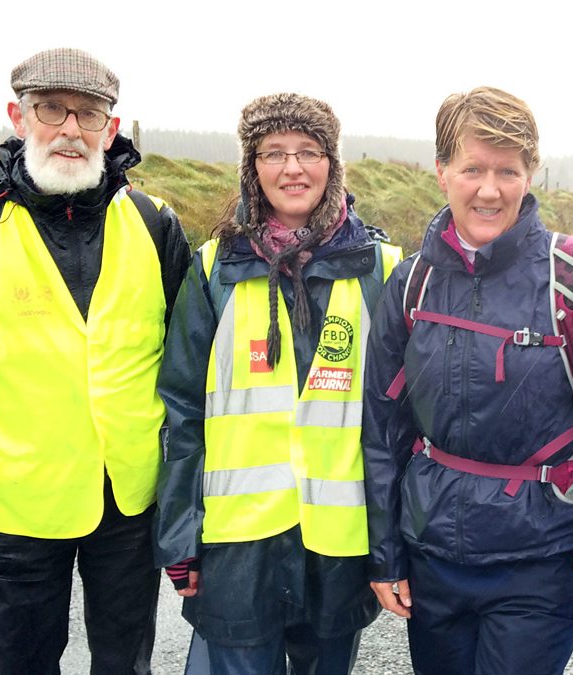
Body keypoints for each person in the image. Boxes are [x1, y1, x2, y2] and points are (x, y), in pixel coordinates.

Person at [0, 47, 190, 673]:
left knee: (125, 662)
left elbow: (191, 371)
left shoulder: (154, 222)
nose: (69, 129)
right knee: (18, 661)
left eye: (89, 115)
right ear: (18, 116)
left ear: (112, 131)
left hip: (129, 501)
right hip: (16, 505)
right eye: (50, 109)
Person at [362, 86, 573, 675]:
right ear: (442, 171)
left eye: (508, 170)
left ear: (531, 175)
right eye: (473, 168)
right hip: (433, 560)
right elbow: (383, 429)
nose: (490, 189)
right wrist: (384, 553)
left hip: (540, 563)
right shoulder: (410, 284)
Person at [154, 92, 401, 674]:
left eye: (308, 151)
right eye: (273, 152)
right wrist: (179, 535)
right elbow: (181, 410)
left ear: (331, 163)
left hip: (340, 546)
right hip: (238, 548)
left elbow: (400, 426)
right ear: (252, 166)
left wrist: (395, 543)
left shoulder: (382, 269)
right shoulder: (214, 268)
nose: (292, 168)